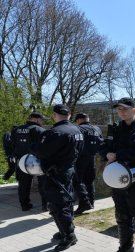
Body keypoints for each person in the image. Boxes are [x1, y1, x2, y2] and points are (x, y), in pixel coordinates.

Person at [101, 98, 135, 252]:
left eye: (125, 108)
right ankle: (125, 248)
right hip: (118, 182)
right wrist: (107, 153)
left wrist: (117, 154)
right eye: (119, 109)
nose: (122, 112)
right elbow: (103, 147)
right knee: (122, 217)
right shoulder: (116, 130)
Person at [31, 104, 84, 251]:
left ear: (54, 115)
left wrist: (33, 146)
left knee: (57, 207)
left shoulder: (55, 132)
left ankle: (69, 236)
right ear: (69, 114)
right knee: (66, 202)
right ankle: (66, 229)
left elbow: (41, 151)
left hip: (55, 174)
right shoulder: (76, 129)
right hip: (68, 170)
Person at [11, 112, 47, 211]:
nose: (42, 122)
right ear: (36, 119)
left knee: (23, 184)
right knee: (43, 183)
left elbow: (13, 145)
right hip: (37, 161)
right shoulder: (39, 130)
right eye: (41, 120)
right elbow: (44, 147)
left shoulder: (16, 130)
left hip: (22, 161)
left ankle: (24, 205)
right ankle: (45, 204)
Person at [73, 112, 104, 215]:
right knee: (89, 181)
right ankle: (91, 202)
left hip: (80, 158)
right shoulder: (97, 129)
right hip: (92, 158)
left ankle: (84, 203)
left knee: (77, 181)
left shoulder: (79, 129)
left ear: (79, 120)